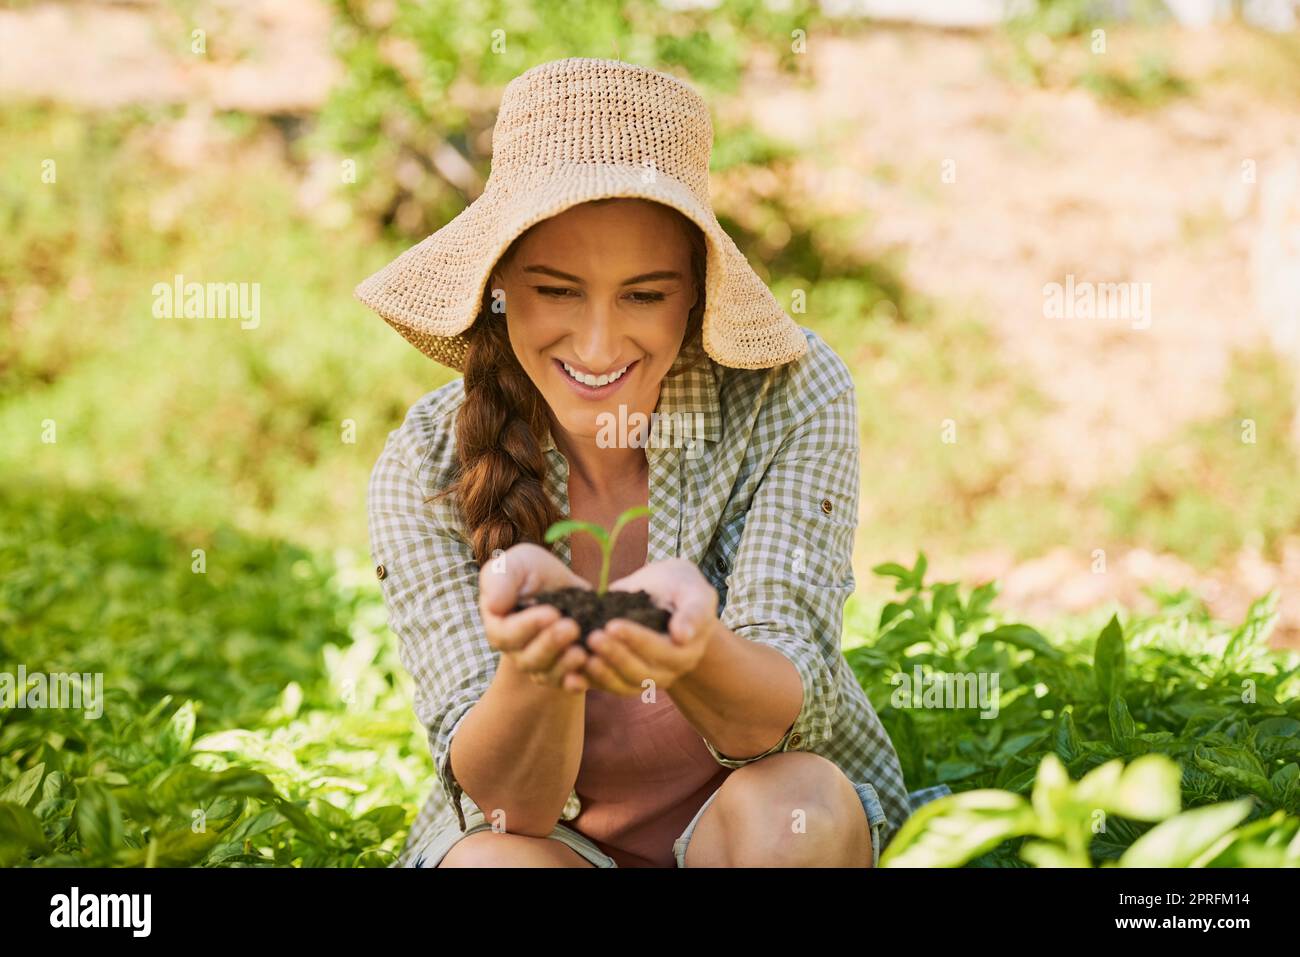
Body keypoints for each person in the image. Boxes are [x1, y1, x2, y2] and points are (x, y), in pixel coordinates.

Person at [358, 57, 947, 868]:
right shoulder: (425, 466)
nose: (598, 346)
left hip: (746, 834)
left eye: (644, 295)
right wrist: (544, 663)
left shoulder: (789, 395)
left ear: (698, 293)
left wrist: (692, 644)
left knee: (794, 806)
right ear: (498, 287)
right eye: (557, 291)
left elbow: (773, 717)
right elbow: (506, 809)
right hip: (555, 848)